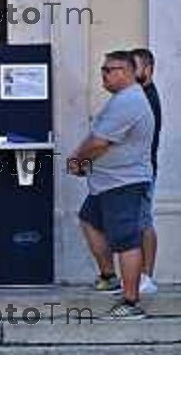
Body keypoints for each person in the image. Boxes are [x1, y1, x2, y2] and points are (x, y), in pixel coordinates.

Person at [69, 50, 154, 319]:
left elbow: (99, 142)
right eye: (102, 70)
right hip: (107, 183)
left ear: (127, 72)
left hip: (123, 184)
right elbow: (98, 136)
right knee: (89, 220)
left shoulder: (129, 101)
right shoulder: (121, 99)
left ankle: (131, 302)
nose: (103, 75)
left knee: (126, 241)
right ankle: (109, 276)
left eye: (109, 70)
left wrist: (78, 160)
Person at [131, 48, 162, 294]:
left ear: (148, 69)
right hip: (133, 170)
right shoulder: (137, 95)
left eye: (136, 66)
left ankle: (146, 277)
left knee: (143, 222)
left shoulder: (147, 97)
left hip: (142, 170)